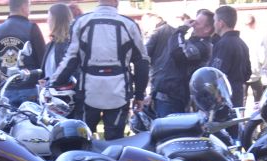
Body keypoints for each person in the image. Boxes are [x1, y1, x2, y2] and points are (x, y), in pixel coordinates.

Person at [50, 0, 149, 140]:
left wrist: (53, 82)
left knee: (82, 138)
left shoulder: (81, 22)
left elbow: (71, 59)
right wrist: (139, 95)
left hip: (88, 90)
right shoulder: (129, 24)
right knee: (115, 140)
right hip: (119, 91)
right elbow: (142, 61)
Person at [147, 8, 214, 117]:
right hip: (161, 98)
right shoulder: (191, 42)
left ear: (207, 29)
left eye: (196, 23)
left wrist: (182, 29)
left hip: (173, 101)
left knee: (170, 128)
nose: (192, 25)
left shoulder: (203, 46)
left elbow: (178, 52)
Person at [0, 0, 46, 107]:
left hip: (6, 90)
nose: (29, 10)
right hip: (30, 88)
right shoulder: (32, 27)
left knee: (9, 118)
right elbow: (43, 60)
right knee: (31, 118)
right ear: (24, 7)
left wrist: (4, 81)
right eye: (29, 6)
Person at [210, 5, 251, 112]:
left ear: (221, 23)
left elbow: (215, 74)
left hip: (224, 100)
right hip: (238, 96)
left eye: (215, 21)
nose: (213, 24)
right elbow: (247, 73)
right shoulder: (242, 44)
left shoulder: (223, 44)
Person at [240, 14, 266, 109]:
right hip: (255, 71)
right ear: (254, 23)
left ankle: (241, 116)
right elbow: (262, 56)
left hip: (242, 72)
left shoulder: (240, 37)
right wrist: (262, 65)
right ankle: (257, 116)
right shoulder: (258, 36)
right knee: (258, 101)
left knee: (242, 100)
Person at [42, 3, 73, 80]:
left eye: (49, 17)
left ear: (56, 20)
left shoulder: (70, 45)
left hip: (62, 87)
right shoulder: (50, 44)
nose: (47, 21)